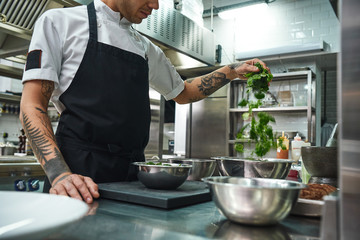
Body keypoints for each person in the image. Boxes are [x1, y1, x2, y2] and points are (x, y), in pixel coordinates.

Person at [20, 0, 270, 203]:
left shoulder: (145, 48)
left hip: (132, 177)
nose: (156, 5)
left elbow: (184, 92)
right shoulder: (60, 22)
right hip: (78, 175)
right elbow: (32, 105)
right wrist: (60, 174)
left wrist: (233, 70)